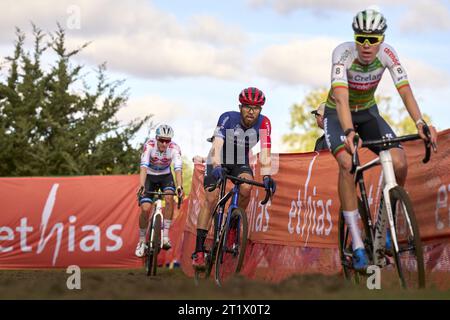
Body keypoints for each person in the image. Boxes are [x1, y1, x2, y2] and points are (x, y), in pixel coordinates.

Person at [324, 8, 437, 271]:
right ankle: (358, 245)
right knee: (346, 164)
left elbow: (405, 91)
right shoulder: (343, 53)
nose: (366, 45)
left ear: (381, 40)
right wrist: (349, 131)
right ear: (355, 37)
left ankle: (382, 227)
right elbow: (341, 98)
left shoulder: (388, 54)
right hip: (337, 114)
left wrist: (420, 122)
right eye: (361, 38)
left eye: (372, 40)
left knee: (399, 162)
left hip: (368, 113)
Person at [191, 87, 276, 270]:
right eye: (247, 107)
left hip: (240, 160)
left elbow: (266, 153)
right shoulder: (228, 117)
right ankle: (199, 250)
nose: (251, 111)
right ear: (240, 107)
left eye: (256, 107)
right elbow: (217, 145)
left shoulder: (264, 123)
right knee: (211, 198)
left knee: (246, 188)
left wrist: (268, 176)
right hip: (220, 157)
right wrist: (216, 166)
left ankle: (232, 228)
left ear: (261, 109)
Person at [135, 124, 184, 257]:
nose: (164, 143)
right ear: (156, 138)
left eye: (167, 140)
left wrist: (179, 186)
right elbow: (144, 167)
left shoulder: (174, 148)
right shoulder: (149, 146)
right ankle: (141, 241)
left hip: (165, 176)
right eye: (161, 140)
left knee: (169, 198)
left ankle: (165, 236)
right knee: (145, 208)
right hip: (149, 176)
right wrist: (141, 185)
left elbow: (178, 169)